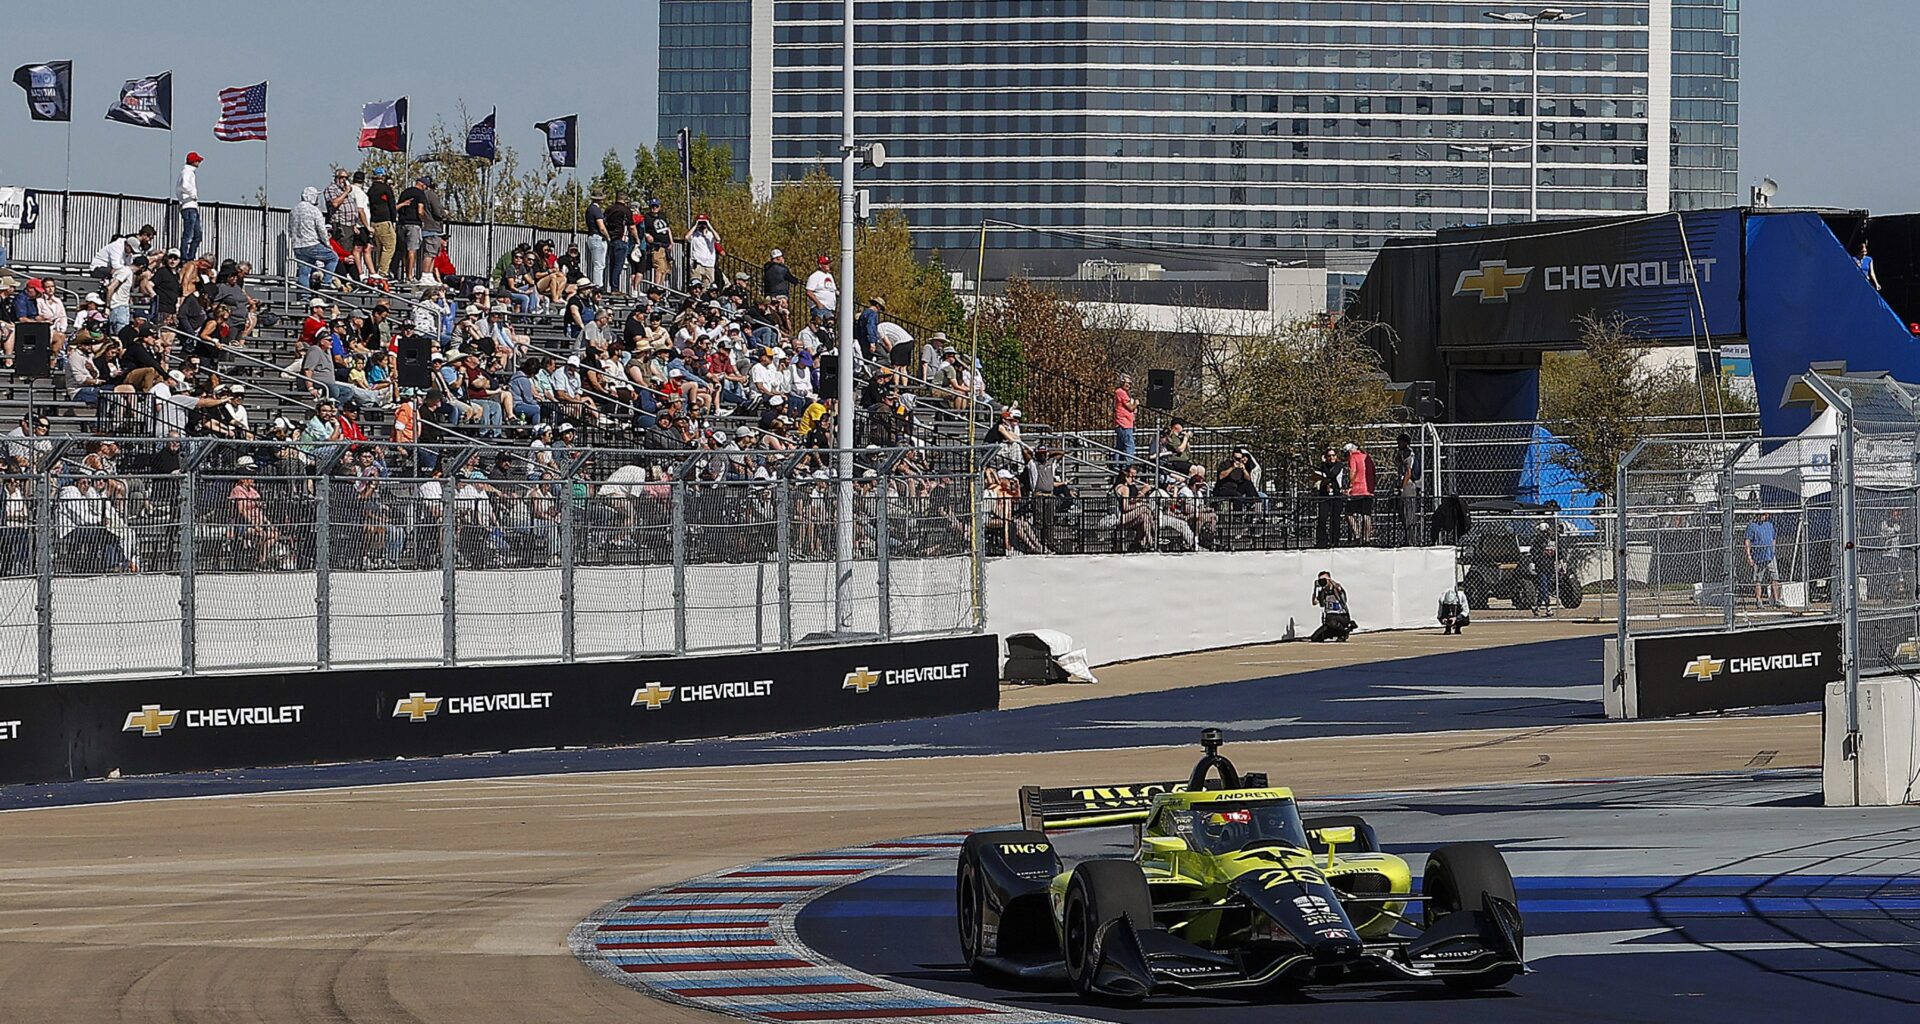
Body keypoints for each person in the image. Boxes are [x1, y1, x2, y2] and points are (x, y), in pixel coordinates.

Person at [290, 186, 336, 290]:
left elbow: (290, 229)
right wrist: (327, 244)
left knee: (303, 271)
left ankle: (304, 296)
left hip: (298, 245)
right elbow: (321, 229)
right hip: (312, 243)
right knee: (333, 258)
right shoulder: (314, 210)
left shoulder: (294, 210)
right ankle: (326, 283)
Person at [365, 167, 399, 282]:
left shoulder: (370, 190)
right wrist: (393, 221)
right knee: (390, 246)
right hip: (385, 221)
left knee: (380, 248)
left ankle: (379, 270)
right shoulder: (386, 189)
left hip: (374, 222)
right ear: (383, 176)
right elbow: (392, 205)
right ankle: (383, 272)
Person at [1745, 510, 1781, 608]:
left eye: (1763, 515)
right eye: (1759, 515)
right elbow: (1747, 540)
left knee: (1775, 578)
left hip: (1770, 555)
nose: (1761, 516)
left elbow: (1773, 538)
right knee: (1758, 579)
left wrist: (1773, 550)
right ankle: (1759, 600)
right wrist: (1749, 556)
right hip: (1758, 556)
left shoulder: (1769, 525)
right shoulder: (1752, 526)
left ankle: (1776, 600)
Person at [1313, 445, 1346, 548]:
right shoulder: (1323, 467)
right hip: (1324, 495)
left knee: (1335, 518)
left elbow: (1331, 475)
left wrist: (1323, 466)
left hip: (1336, 494)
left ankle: (1334, 540)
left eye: (1333, 455)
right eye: (1329, 456)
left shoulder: (1339, 465)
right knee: (1322, 518)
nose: (1331, 458)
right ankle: (1322, 540)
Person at [1344, 441, 1375, 543]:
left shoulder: (1353, 457)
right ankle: (1367, 538)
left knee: (1349, 512)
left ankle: (1357, 535)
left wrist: (1350, 486)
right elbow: (1374, 472)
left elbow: (1352, 472)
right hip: (1368, 490)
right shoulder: (1367, 457)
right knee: (1366, 514)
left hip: (1357, 490)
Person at [1309, 571, 1354, 642]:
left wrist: (1331, 581)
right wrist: (1315, 589)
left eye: (1324, 579)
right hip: (1329, 620)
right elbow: (1314, 602)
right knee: (1315, 638)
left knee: (1331, 621)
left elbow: (1339, 588)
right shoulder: (1323, 592)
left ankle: (1343, 632)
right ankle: (1338, 633)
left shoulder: (1336, 589)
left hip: (1342, 616)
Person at [176, 152, 203, 261]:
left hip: (189, 205)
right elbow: (184, 185)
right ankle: (186, 256)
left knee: (195, 234)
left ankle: (189, 255)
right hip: (189, 205)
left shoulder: (187, 172)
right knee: (190, 233)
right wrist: (192, 194)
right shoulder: (187, 172)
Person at [1528, 522, 1558, 616]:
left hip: (1549, 566)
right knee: (1544, 586)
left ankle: (1536, 606)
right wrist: (1535, 561)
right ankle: (1548, 607)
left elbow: (1558, 551)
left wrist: (1560, 561)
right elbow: (1534, 552)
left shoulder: (1553, 539)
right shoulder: (1538, 540)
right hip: (1542, 566)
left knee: (1544, 588)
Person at [685, 214, 720, 286]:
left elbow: (718, 239)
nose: (702, 225)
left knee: (708, 285)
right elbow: (686, 237)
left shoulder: (711, 235)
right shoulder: (694, 235)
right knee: (695, 285)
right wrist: (695, 225)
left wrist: (709, 226)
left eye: (704, 223)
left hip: (709, 264)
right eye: (701, 223)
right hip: (697, 264)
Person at [1113, 373, 1138, 465]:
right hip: (1124, 424)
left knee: (1120, 446)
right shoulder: (1120, 392)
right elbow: (1130, 407)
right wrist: (1136, 403)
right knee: (1130, 446)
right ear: (1122, 382)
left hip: (1126, 423)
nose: (1129, 385)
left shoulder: (1124, 393)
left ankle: (1117, 465)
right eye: (1127, 383)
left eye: (1130, 383)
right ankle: (1127, 466)